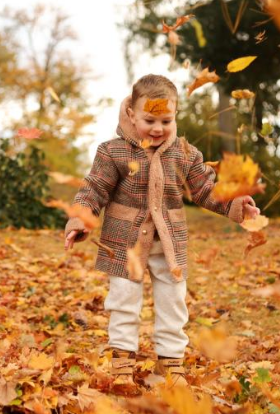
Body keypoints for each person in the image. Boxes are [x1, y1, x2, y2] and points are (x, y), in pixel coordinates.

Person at [64, 74, 259, 387]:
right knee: (124, 301)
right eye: (149, 119)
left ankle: (170, 363)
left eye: (165, 120)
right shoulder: (112, 152)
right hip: (125, 243)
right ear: (132, 114)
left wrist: (237, 205)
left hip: (169, 246)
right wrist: (80, 220)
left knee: (173, 302)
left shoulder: (184, 153)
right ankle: (122, 365)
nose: (157, 128)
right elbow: (94, 188)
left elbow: (207, 190)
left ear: (176, 115)